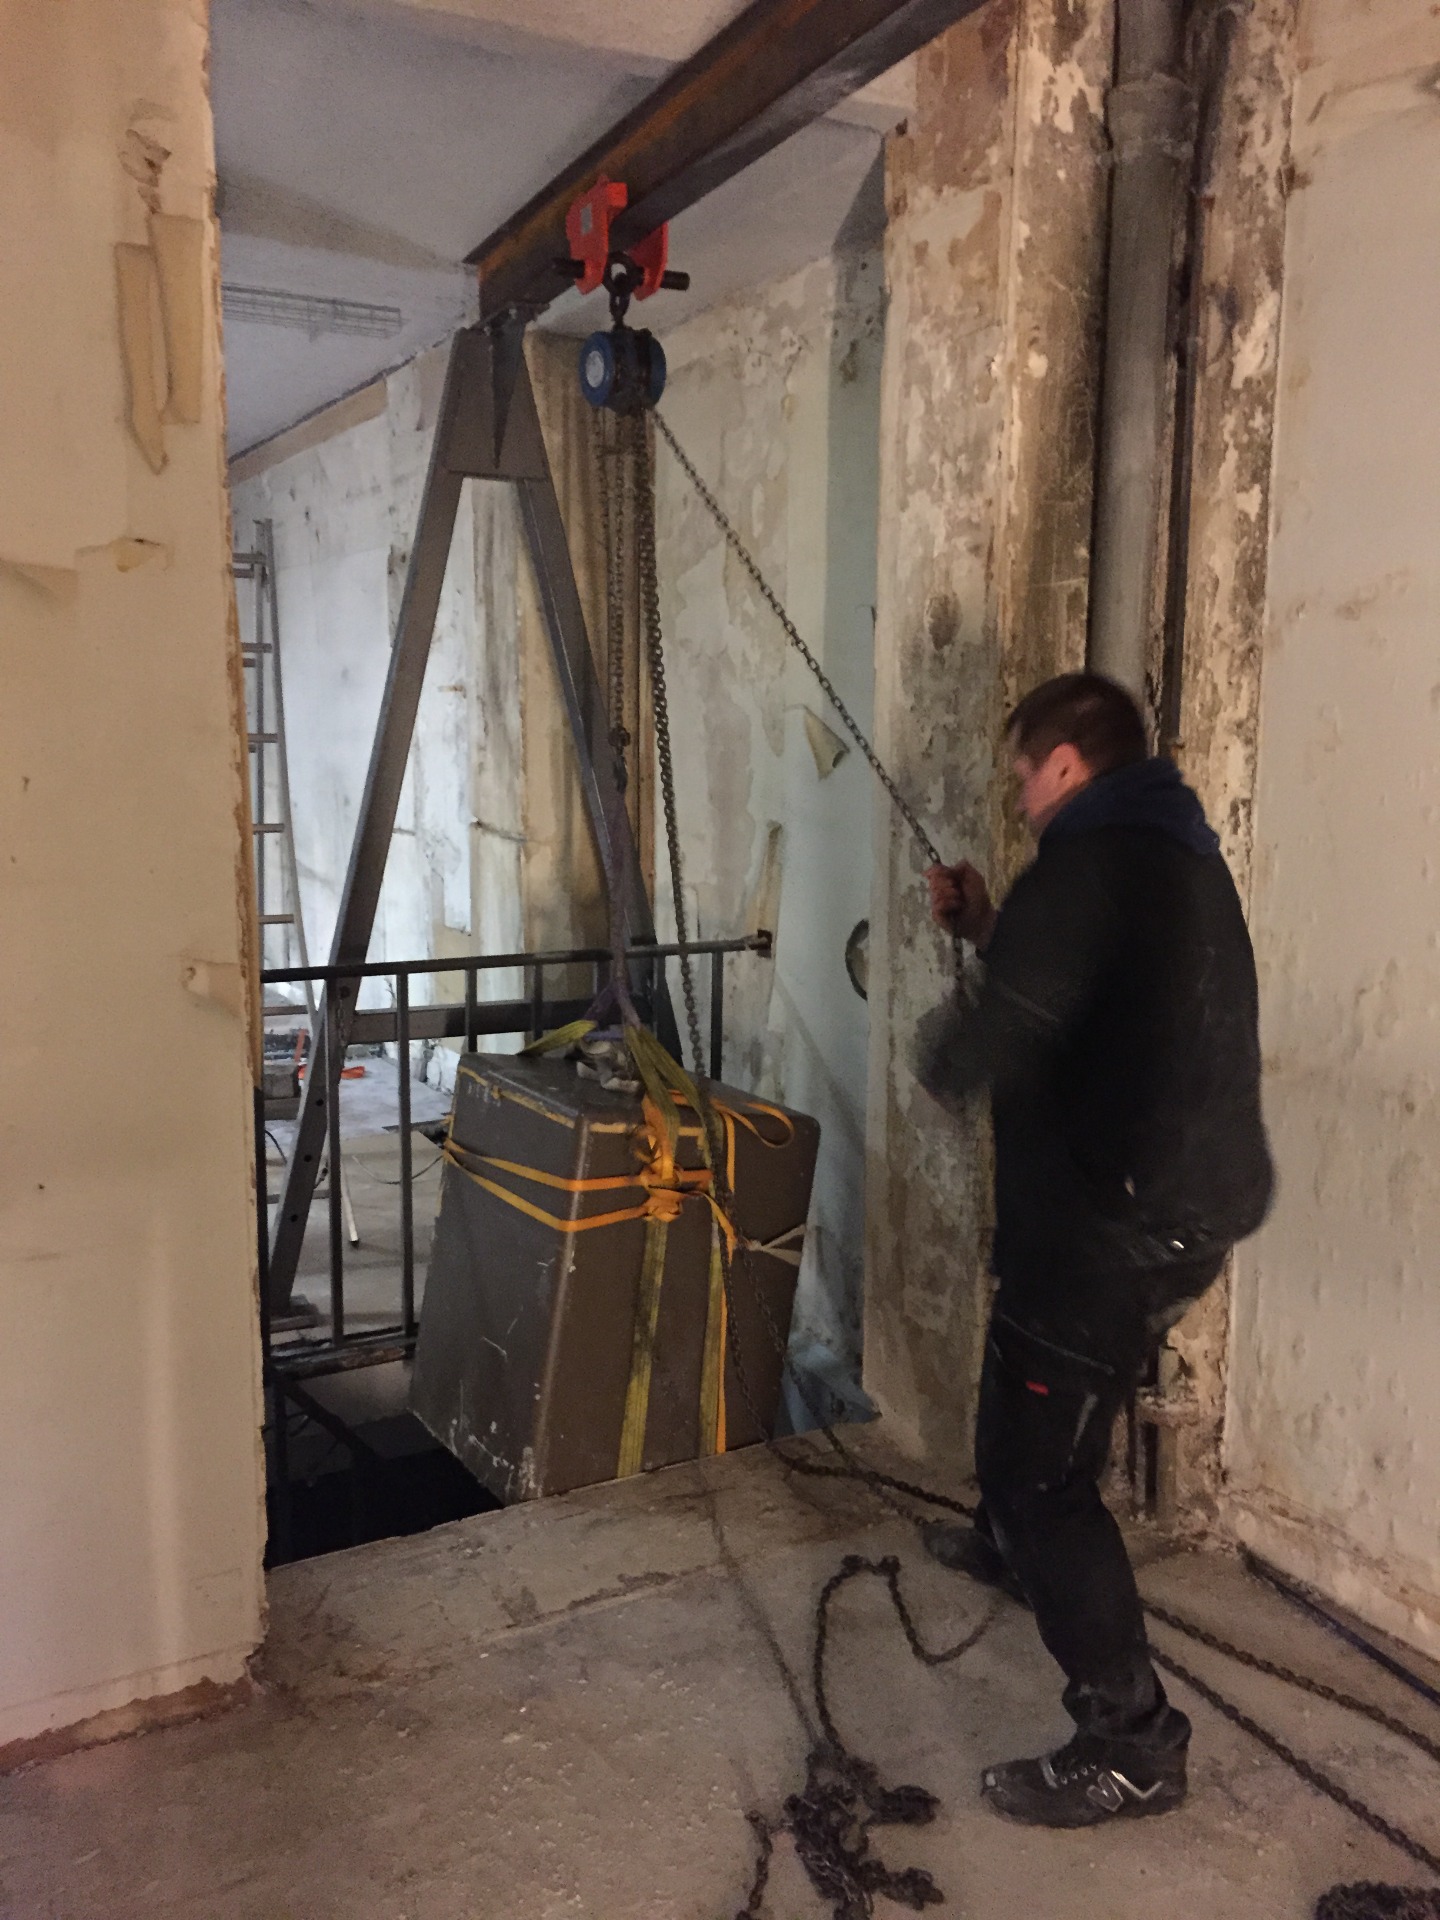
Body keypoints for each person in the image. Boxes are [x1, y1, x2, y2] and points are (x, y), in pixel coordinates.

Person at [914, 671, 1272, 1829]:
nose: (1020, 790)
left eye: (1026, 770)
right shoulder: (1171, 851)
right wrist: (989, 927)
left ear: (1066, 764)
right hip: (1168, 1207)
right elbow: (1089, 983)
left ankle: (1131, 1745)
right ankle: (1009, 1547)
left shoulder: (1081, 871)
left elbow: (984, 1045)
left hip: (1110, 1230)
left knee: (1039, 1473)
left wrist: (945, 1042)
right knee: (1030, 1402)